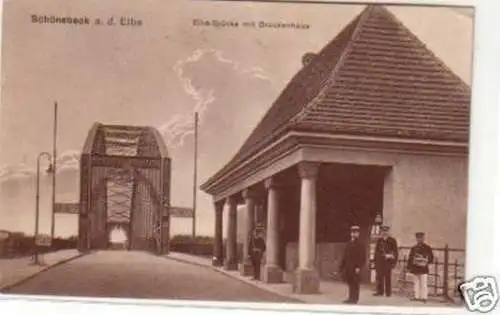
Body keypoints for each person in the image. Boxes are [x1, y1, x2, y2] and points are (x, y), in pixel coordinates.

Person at [340, 225, 366, 304]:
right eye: (353, 233)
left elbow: (362, 257)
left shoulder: (360, 244)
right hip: (348, 267)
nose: (354, 234)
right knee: (350, 282)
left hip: (355, 267)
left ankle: (355, 298)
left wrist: (359, 266)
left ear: (358, 234)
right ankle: (350, 298)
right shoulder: (349, 243)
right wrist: (342, 266)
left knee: (355, 283)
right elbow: (345, 256)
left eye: (356, 233)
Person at [407, 232, 434, 302]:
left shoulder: (427, 248)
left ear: (423, 238)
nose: (419, 239)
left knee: (424, 283)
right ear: (416, 239)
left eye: (421, 238)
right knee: (416, 283)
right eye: (418, 238)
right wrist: (409, 267)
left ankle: (424, 297)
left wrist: (426, 261)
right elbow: (410, 258)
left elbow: (431, 257)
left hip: (423, 268)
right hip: (415, 268)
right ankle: (417, 297)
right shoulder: (413, 248)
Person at [373, 225, 398, 297]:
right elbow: (376, 252)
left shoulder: (392, 240)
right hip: (380, 262)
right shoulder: (379, 240)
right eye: (383, 231)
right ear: (381, 232)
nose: (384, 233)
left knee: (388, 277)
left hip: (388, 262)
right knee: (379, 277)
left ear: (388, 232)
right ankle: (380, 292)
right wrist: (375, 262)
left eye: (386, 231)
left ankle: (388, 293)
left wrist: (393, 261)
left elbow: (395, 251)